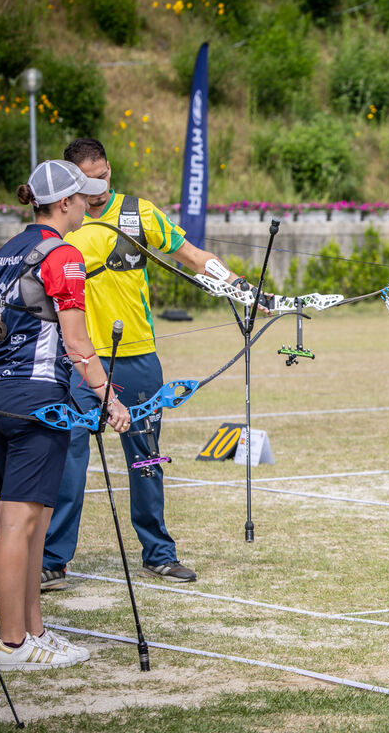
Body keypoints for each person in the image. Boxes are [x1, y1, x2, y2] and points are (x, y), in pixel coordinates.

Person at [42, 138, 246, 589]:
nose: (95, 188)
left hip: (139, 361)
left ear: (110, 170)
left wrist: (242, 289)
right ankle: (52, 560)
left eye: (102, 176)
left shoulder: (139, 213)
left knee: (145, 460)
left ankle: (158, 554)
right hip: (82, 364)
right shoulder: (61, 225)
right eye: (85, 180)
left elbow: (192, 256)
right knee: (70, 457)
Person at [0, 160, 130, 669]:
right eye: (83, 197)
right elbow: (77, 339)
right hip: (38, 400)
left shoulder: (3, 253)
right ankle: (14, 644)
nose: (89, 204)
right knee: (18, 524)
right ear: (63, 204)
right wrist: (109, 398)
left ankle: (34, 631)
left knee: (34, 522)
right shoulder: (62, 255)